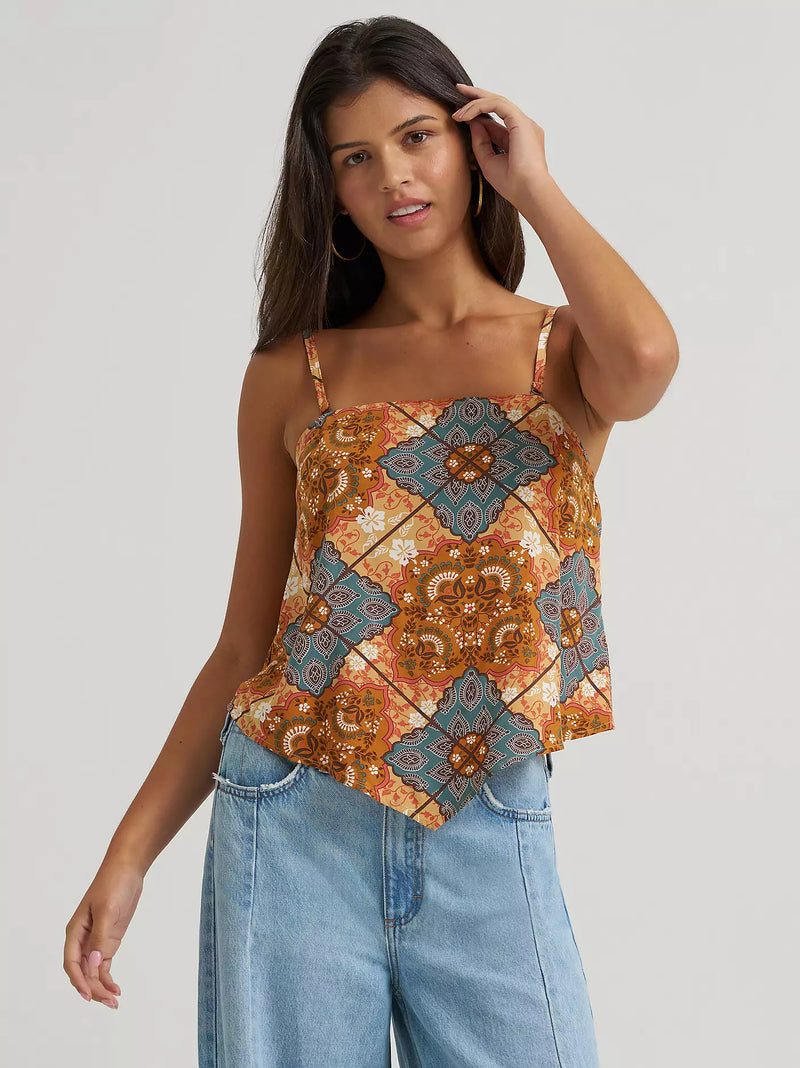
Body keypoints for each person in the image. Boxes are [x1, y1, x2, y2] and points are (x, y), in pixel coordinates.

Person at [63, 15, 678, 1066]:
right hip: (291, 814)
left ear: (472, 143)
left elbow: (650, 358)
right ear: (332, 192)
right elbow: (245, 644)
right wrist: (129, 856)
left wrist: (534, 186)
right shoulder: (292, 375)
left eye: (416, 136)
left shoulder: (561, 351)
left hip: (489, 814)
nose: (391, 174)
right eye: (354, 157)